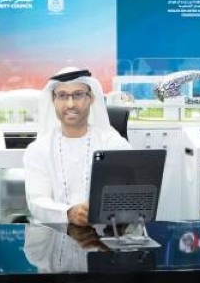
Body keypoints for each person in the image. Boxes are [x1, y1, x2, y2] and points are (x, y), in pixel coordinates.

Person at [23, 67, 130, 225]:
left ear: (91, 98)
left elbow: (129, 194)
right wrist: (68, 213)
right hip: (55, 232)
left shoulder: (114, 144)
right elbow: (37, 201)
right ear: (53, 100)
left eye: (78, 95)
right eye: (62, 96)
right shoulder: (38, 149)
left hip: (106, 232)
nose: (70, 104)